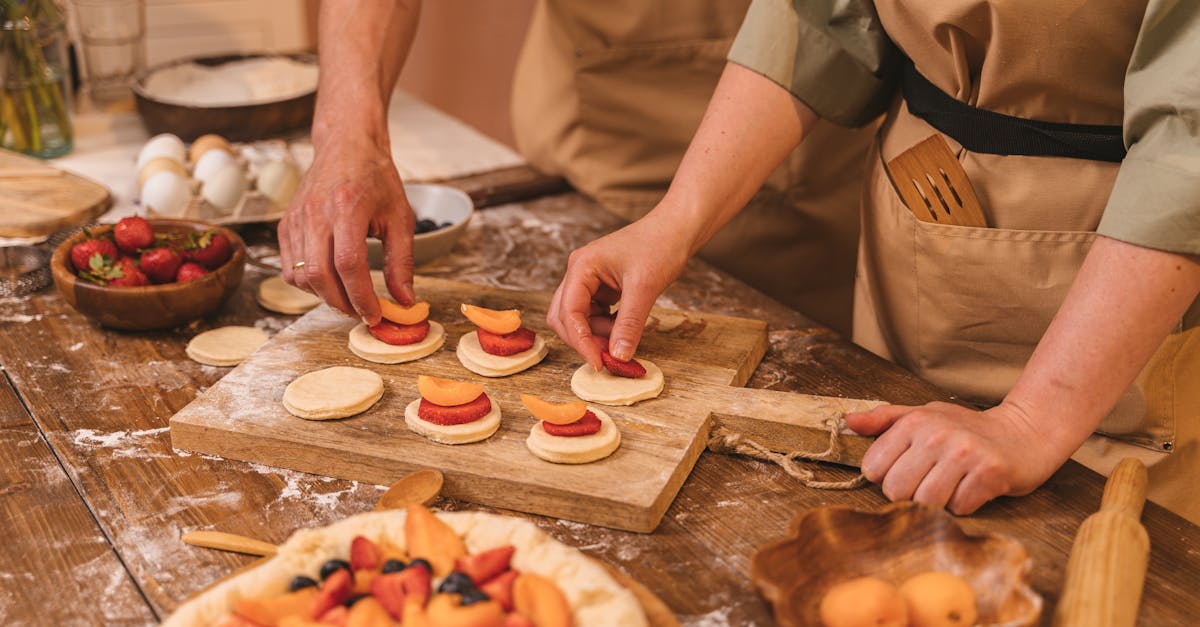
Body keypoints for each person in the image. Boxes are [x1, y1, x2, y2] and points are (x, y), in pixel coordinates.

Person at [546, 0, 1200, 523]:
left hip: (1129, 302)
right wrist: (672, 222)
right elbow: (819, 17)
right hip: (915, 234)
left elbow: (1188, 149)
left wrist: (1032, 420)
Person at [279, 0, 874, 337]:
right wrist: (347, 138)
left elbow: (827, 18)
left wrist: (678, 217)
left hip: (800, 135)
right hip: (597, 132)